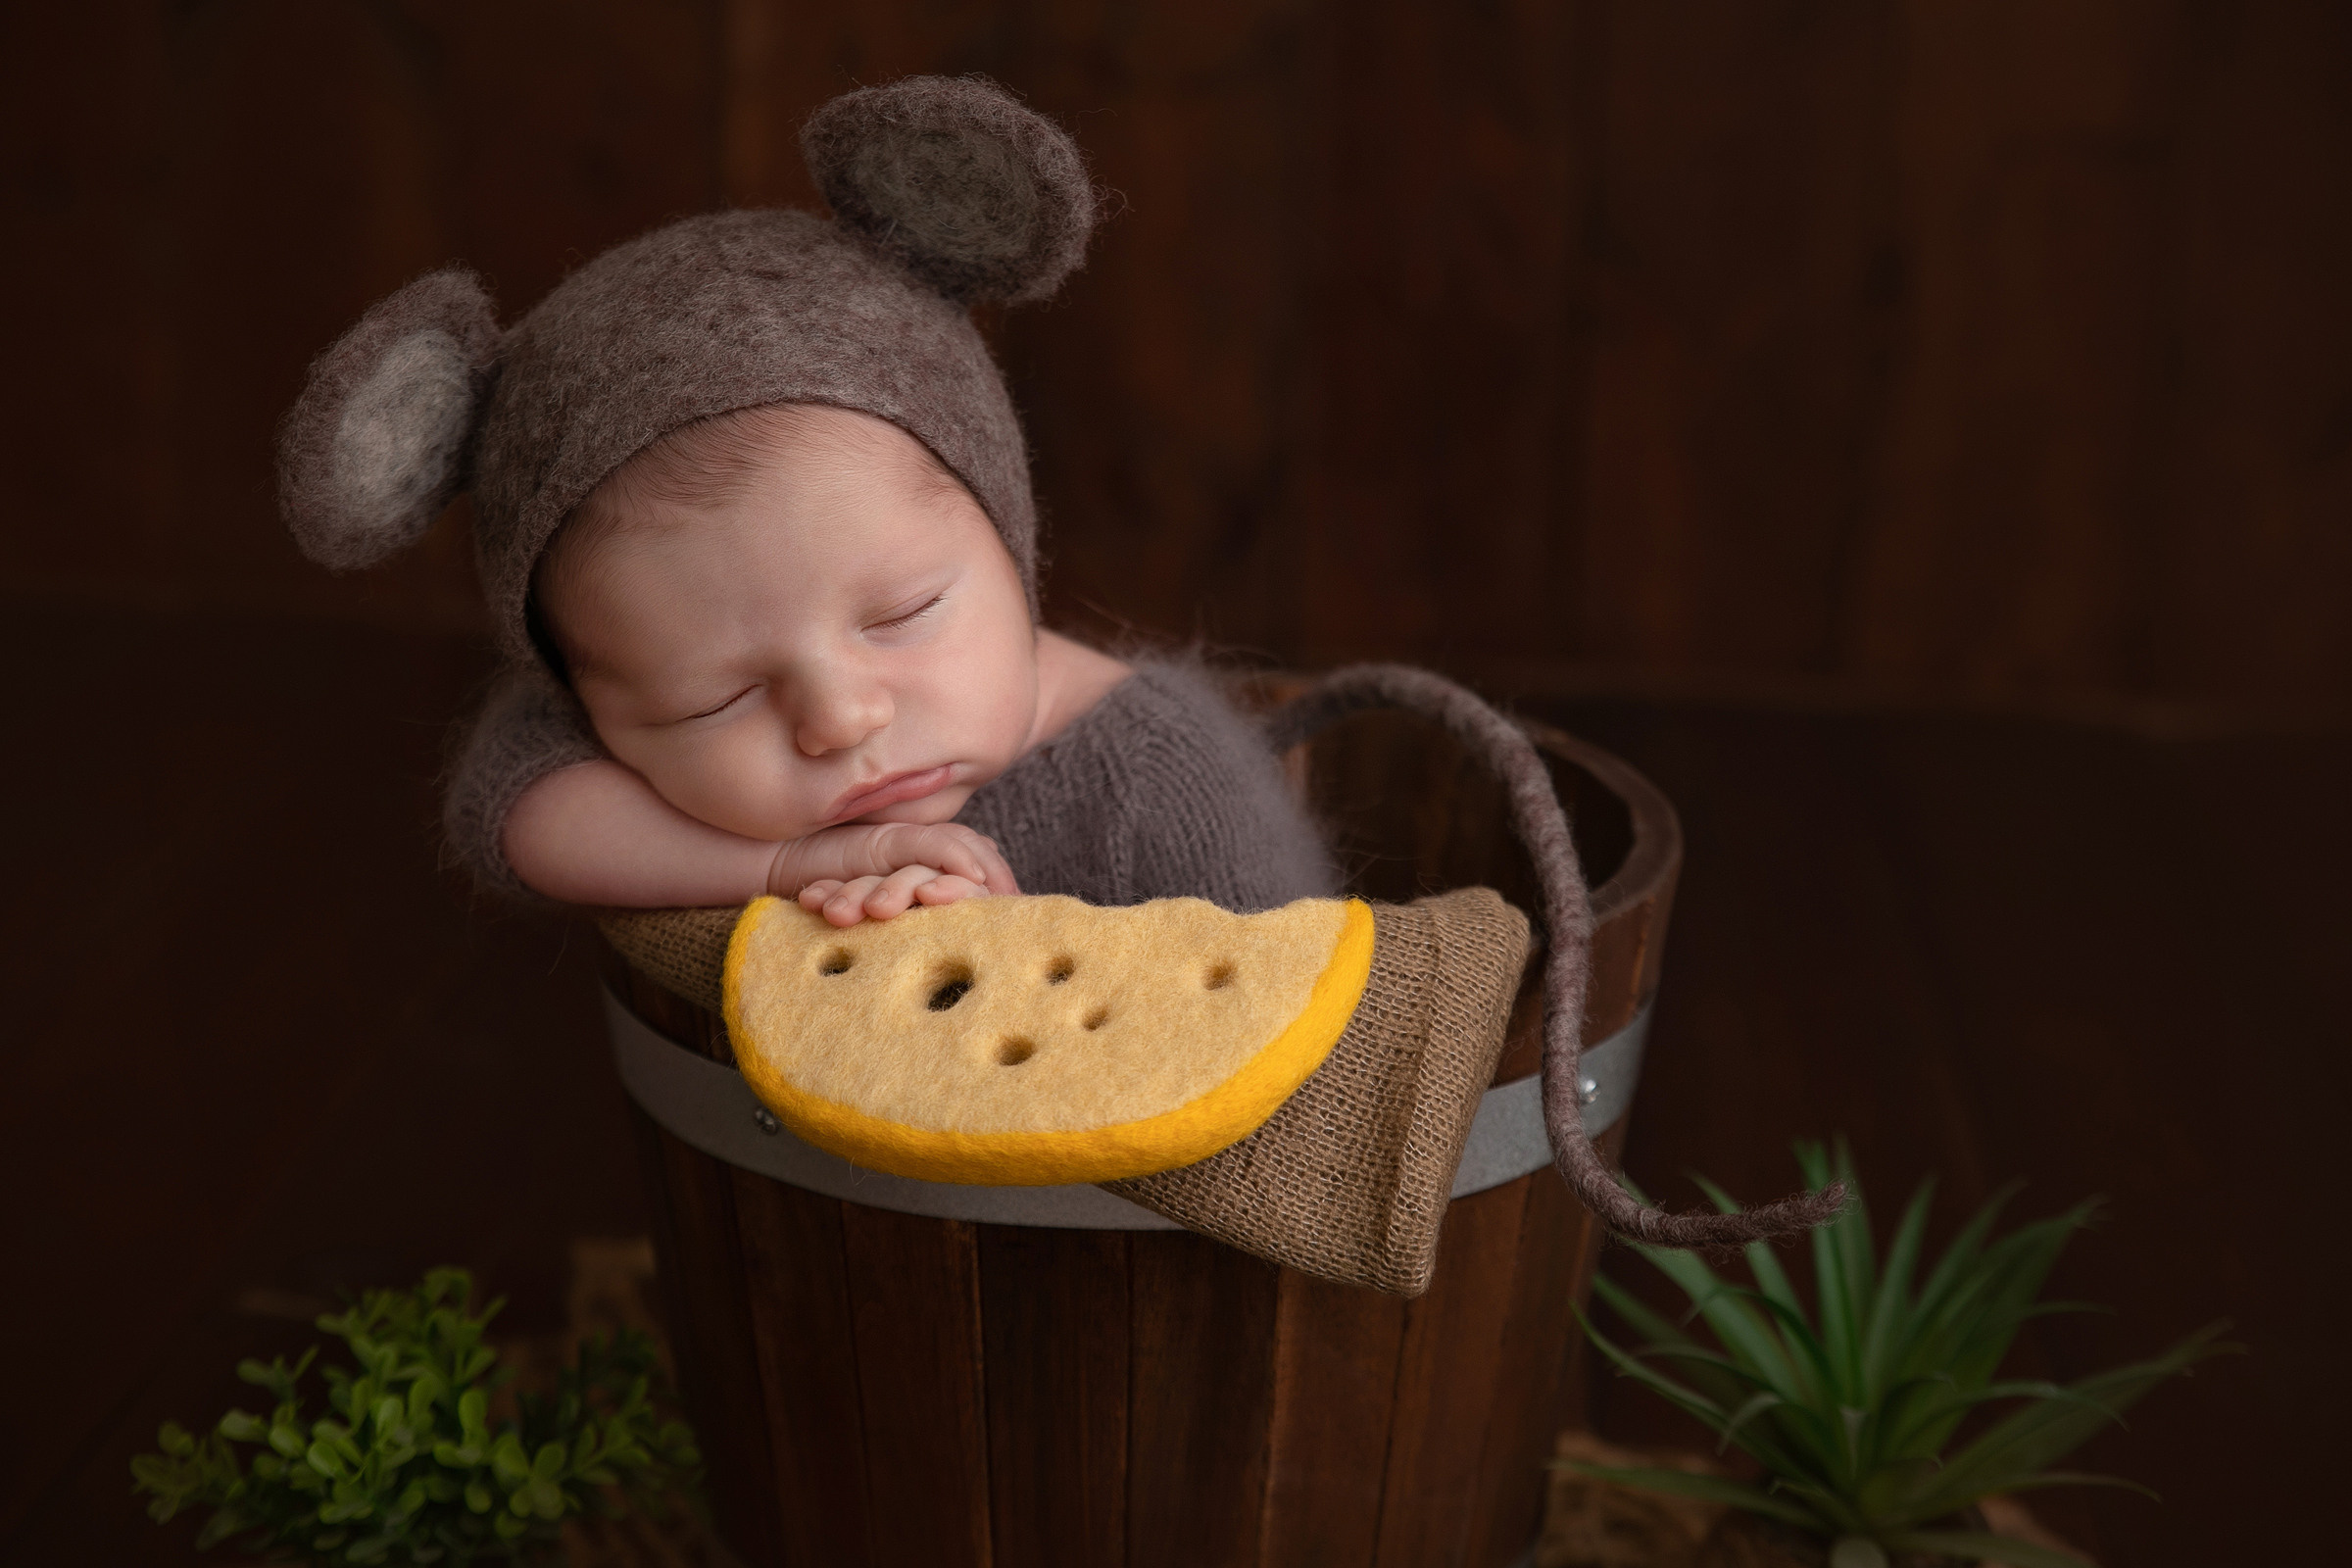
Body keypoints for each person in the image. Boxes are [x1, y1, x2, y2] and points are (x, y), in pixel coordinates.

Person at [277, 75, 1334, 926]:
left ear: (1013, 552)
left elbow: (1282, 1024)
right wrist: (798, 862)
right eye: (713, 701)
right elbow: (516, 813)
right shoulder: (616, 733)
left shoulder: (1168, 780)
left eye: (905, 614)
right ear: (592, 699)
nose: (840, 719)